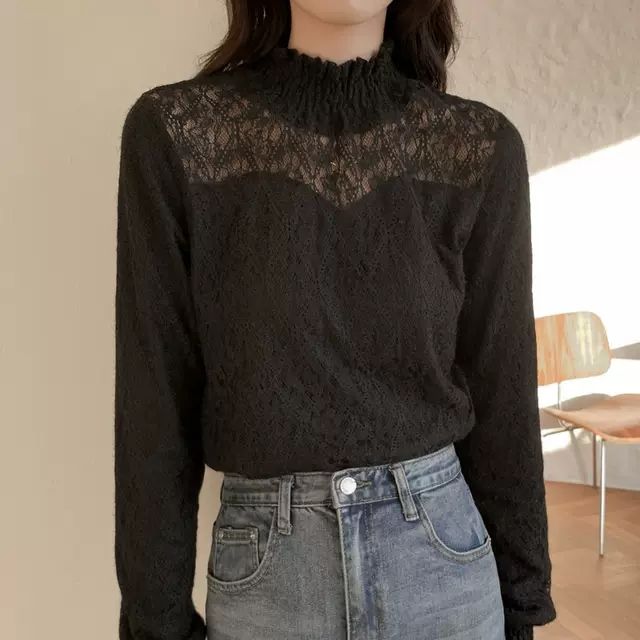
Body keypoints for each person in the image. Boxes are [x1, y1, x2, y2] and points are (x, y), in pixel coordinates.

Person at [114, 1, 557, 639]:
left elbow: (503, 390)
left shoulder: (476, 148)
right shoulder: (179, 137)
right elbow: (153, 398)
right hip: (266, 587)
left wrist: (521, 603)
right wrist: (155, 624)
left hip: (445, 574)